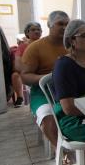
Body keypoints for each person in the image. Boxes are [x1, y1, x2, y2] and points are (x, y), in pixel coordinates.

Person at [21, 11, 69, 150]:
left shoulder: (72, 45)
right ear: (49, 25)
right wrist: (50, 78)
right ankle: (59, 148)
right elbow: (25, 76)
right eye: (60, 24)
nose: (64, 27)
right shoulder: (35, 47)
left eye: (67, 24)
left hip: (69, 89)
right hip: (43, 93)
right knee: (47, 116)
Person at [11, 22, 42, 107]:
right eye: (33, 30)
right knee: (15, 75)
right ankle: (20, 98)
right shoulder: (22, 46)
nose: (36, 31)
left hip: (43, 71)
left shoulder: (44, 44)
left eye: (38, 30)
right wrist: (28, 70)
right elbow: (17, 64)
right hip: (27, 71)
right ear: (27, 33)